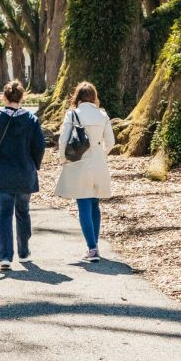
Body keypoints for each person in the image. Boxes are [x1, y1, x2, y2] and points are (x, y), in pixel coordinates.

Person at [0, 80, 45, 271]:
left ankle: (5, 256)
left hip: (2, 173)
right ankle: (24, 251)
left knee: (4, 214)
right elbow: (39, 147)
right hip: (25, 172)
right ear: (22, 97)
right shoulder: (31, 120)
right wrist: (35, 165)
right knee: (23, 212)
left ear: (4, 97)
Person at [53, 81, 115, 262]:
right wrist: (101, 153)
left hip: (79, 163)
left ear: (77, 97)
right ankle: (94, 245)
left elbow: (63, 140)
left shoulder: (72, 114)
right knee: (95, 204)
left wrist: (63, 159)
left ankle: (92, 248)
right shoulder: (102, 115)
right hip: (99, 163)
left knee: (83, 205)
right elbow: (110, 142)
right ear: (94, 97)